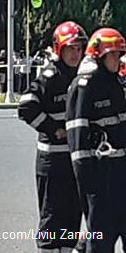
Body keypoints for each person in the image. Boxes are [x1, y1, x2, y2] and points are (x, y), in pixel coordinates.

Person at [18, 21, 88, 253]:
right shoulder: (50, 76)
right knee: (52, 217)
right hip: (53, 161)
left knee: (72, 215)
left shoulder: (82, 75)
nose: (75, 54)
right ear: (59, 49)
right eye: (71, 48)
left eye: (79, 48)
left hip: (75, 159)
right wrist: (52, 129)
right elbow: (26, 107)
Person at [66, 27, 126, 253]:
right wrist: (89, 182)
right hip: (100, 176)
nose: (117, 60)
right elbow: (78, 139)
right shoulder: (84, 86)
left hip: (121, 173)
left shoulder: (116, 84)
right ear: (99, 55)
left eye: (118, 55)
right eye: (112, 55)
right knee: (100, 236)